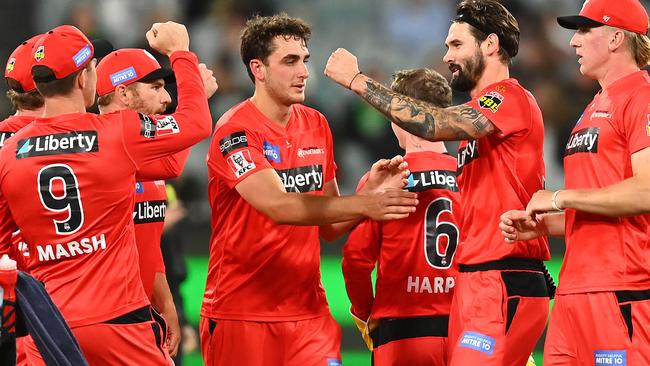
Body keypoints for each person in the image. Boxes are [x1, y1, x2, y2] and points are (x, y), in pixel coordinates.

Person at [325, 1, 552, 365]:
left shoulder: (509, 98)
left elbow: (435, 124)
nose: (447, 55)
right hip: (477, 282)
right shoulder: (473, 138)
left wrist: (357, 80)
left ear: (491, 44)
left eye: (456, 45)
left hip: (501, 279)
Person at [200, 13, 418, 366]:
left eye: (305, 60)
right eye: (289, 61)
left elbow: (330, 227)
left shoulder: (316, 124)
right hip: (242, 314)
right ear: (258, 68)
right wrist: (365, 204)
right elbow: (278, 206)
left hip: (310, 315)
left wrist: (370, 192)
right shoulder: (235, 132)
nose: (303, 72)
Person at [0, 22, 212, 364]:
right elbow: (197, 123)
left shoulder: (9, 153)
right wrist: (181, 55)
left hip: (48, 324)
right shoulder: (119, 133)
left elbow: (4, 249)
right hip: (119, 319)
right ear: (85, 78)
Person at [500, 0, 650, 364]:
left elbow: (646, 191)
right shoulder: (595, 104)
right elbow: (600, 200)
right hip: (573, 291)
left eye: (585, 30)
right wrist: (545, 225)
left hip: (621, 287)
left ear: (616, 38)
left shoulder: (641, 96)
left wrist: (560, 198)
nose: (573, 42)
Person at [94, 47, 218, 358]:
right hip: (106, 316)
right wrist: (195, 90)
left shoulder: (146, 155)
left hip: (139, 312)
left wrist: (167, 305)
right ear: (123, 93)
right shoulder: (103, 141)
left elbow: (148, 245)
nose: (166, 99)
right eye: (155, 88)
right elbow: (189, 136)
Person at [342, 68, 460, 366]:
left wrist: (365, 313)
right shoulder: (472, 174)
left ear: (398, 114)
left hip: (402, 334)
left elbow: (356, 261)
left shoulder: (383, 179)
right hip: (468, 335)